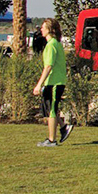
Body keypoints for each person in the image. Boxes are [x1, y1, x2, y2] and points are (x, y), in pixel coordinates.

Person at [32, 18, 72, 147]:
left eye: (43, 27)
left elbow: (48, 66)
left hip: (55, 81)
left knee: (52, 111)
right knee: (49, 109)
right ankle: (64, 127)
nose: (41, 30)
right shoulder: (56, 43)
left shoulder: (52, 45)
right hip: (52, 81)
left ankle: (51, 140)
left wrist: (39, 84)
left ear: (49, 29)